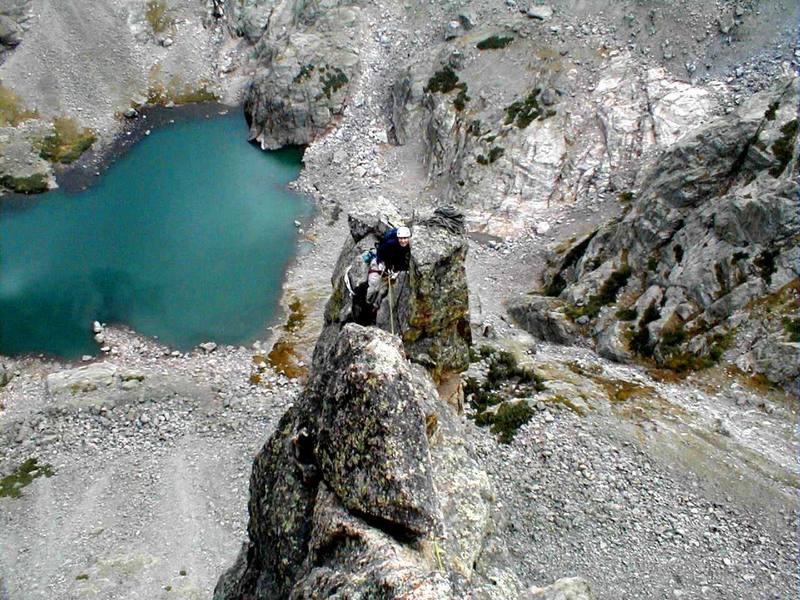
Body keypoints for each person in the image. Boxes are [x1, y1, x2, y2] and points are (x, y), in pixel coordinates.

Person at [366, 225, 411, 309]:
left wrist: (397, 271)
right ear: (398, 238)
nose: (403, 241)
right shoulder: (391, 243)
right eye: (401, 238)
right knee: (374, 285)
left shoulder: (409, 248)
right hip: (381, 263)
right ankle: (367, 303)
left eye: (405, 238)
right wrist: (380, 262)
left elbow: (402, 261)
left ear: (409, 238)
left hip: (391, 268)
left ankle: (375, 307)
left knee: (383, 291)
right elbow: (380, 251)